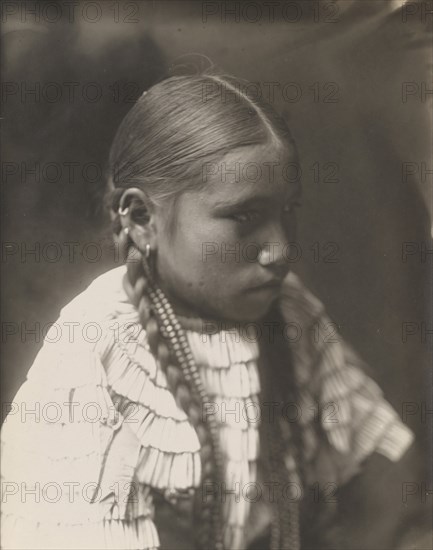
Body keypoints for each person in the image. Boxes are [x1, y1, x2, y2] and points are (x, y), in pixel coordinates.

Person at [0, 70, 425, 550]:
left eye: (287, 212)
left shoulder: (290, 313)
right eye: (244, 217)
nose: (280, 250)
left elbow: (386, 493)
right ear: (142, 219)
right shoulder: (99, 348)